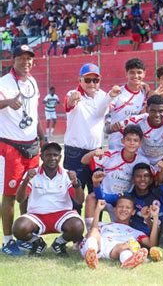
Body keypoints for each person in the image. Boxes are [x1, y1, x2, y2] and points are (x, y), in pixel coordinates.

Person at [0, 45, 44, 255]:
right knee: (9, 194)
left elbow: (34, 114)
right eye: (22, 58)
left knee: (28, 192)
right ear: (13, 59)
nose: (26, 62)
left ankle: (24, 235)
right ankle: (7, 240)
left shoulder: (33, 82)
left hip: (32, 145)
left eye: (30, 59)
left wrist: (43, 138)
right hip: (11, 147)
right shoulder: (4, 82)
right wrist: (7, 102)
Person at [12, 142, 84, 257]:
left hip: (62, 214)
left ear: (60, 157)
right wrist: (26, 180)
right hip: (37, 216)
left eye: (55, 155)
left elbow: (79, 200)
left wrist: (75, 183)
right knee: (18, 227)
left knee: (78, 226)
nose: (52, 158)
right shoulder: (33, 174)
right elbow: (20, 199)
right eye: (48, 155)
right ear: (41, 157)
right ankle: (37, 243)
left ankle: (59, 244)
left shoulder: (66, 174)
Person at [63, 63, 121, 203]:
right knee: (74, 195)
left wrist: (110, 96)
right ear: (80, 80)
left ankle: (95, 225)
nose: (92, 84)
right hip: (75, 152)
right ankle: (72, 224)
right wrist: (72, 100)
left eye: (95, 80)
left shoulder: (103, 96)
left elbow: (100, 112)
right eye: (88, 80)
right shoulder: (73, 93)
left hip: (96, 152)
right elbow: (69, 104)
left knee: (96, 193)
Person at [82, 125, 149, 225]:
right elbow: (84, 161)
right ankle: (90, 232)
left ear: (140, 143)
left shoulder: (143, 161)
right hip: (104, 196)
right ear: (122, 141)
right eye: (128, 139)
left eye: (135, 140)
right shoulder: (111, 155)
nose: (131, 143)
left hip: (122, 200)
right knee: (91, 197)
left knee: (119, 228)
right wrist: (93, 153)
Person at [107, 95, 163, 181]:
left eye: (161, 111)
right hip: (142, 160)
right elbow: (107, 130)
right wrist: (112, 128)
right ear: (147, 109)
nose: (157, 115)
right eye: (153, 111)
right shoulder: (137, 120)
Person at [80, 197, 158, 269]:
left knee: (125, 248)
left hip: (114, 250)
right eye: (120, 206)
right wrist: (98, 210)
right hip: (98, 246)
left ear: (133, 212)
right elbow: (92, 231)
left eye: (128, 208)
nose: (124, 209)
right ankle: (91, 254)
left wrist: (155, 217)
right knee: (94, 231)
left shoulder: (136, 232)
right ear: (114, 209)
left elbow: (152, 244)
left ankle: (128, 261)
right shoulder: (104, 224)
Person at [107, 58, 147, 150]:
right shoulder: (117, 93)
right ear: (126, 74)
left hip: (135, 145)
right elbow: (103, 112)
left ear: (144, 74)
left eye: (139, 72)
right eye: (132, 72)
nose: (136, 76)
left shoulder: (144, 94)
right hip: (117, 144)